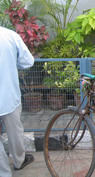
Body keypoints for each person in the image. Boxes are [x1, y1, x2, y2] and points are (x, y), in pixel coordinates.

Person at [0, 26, 35, 177]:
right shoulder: (9, 36)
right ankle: (19, 161)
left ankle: (4, 172)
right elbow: (28, 62)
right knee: (15, 131)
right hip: (8, 95)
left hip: (9, 95)